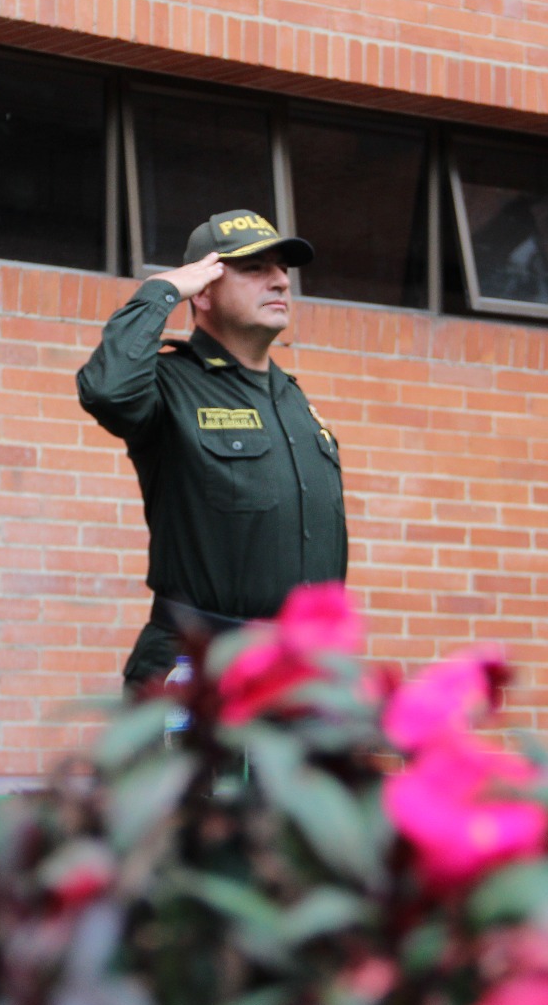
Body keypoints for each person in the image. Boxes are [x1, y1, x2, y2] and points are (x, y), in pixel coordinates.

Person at [78, 209, 348, 692]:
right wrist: (162, 291)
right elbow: (107, 390)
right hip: (199, 669)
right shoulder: (171, 384)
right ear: (201, 290)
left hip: (301, 677)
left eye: (283, 270)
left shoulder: (294, 400)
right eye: (254, 268)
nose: (281, 282)